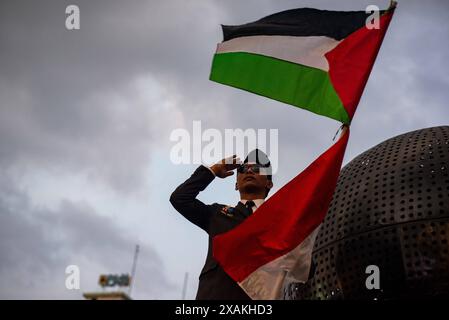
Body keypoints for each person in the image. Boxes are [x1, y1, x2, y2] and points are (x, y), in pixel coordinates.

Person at [170, 149, 273, 300]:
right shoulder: (218, 214)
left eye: (257, 169)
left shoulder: (276, 221)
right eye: (243, 169)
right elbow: (180, 199)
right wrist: (212, 170)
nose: (249, 170)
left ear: (269, 183)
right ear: (236, 184)